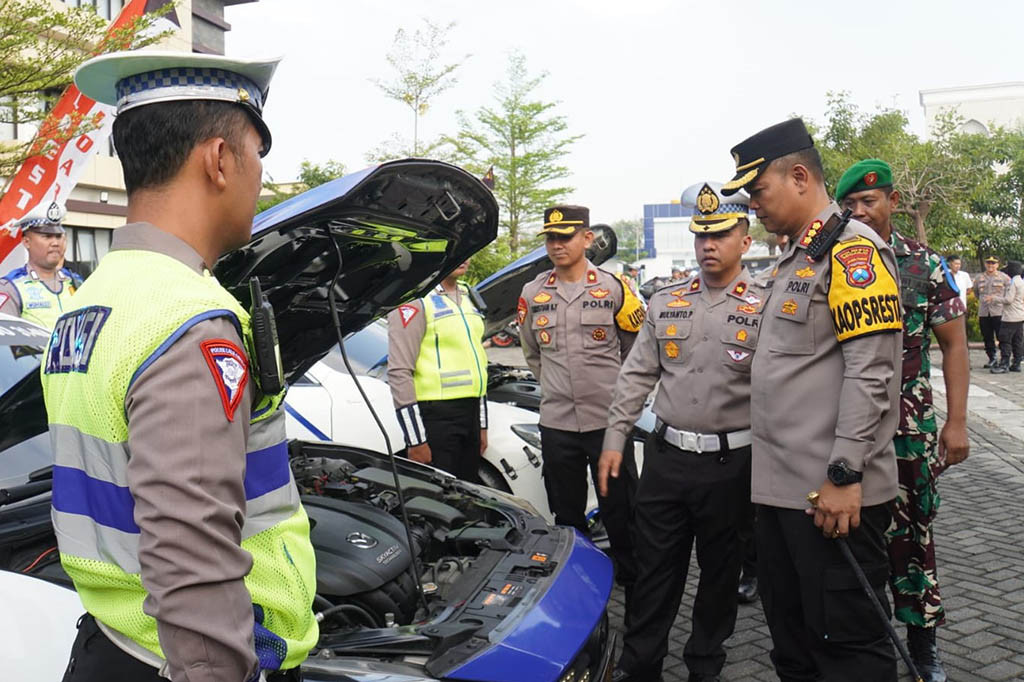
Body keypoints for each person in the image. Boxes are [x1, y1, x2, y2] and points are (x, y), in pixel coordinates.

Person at [41, 52, 316, 682]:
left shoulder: (92, 302)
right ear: (219, 159)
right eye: (257, 157)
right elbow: (192, 560)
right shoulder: (189, 321)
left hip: (116, 639)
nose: (261, 182)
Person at [722, 118, 902, 681]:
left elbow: (872, 372)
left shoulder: (852, 252)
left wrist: (846, 475)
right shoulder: (797, 257)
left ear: (799, 176)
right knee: (794, 648)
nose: (753, 205)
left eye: (758, 190)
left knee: (848, 653)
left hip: (832, 498)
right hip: (783, 497)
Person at [599, 181, 763, 682]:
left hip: (732, 465)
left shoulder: (767, 304)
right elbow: (636, 375)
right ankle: (640, 662)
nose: (708, 246)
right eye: (700, 237)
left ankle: (705, 663)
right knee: (653, 572)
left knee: (719, 575)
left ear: (745, 240)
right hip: (666, 460)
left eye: (720, 235)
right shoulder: (666, 302)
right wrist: (614, 438)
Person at [837, 159, 971, 681]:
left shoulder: (924, 264)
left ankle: (923, 645)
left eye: (869, 202)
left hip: (910, 432)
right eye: (849, 205)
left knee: (913, 539)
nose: (859, 213)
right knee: (851, 536)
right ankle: (864, 640)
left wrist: (956, 423)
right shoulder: (836, 260)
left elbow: (955, 345)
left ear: (893, 202)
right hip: (849, 429)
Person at [518, 205, 644, 592]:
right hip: (557, 423)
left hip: (608, 424)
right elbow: (531, 353)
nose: (556, 245)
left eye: (565, 237)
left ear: (587, 239)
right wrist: (558, 386)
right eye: (550, 238)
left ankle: (633, 578)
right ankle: (580, 580)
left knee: (621, 508)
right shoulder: (533, 293)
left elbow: (636, 351)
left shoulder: (613, 288)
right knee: (566, 512)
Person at [387, 260, 488, 481]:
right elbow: (399, 371)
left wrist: (481, 425)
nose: (465, 257)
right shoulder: (415, 300)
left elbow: (477, 363)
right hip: (436, 419)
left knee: (469, 493)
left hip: (470, 414)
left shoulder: (469, 295)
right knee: (441, 500)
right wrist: (416, 441)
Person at [0, 203, 83, 328]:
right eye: (47, 236)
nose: (55, 243)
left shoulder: (74, 281)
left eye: (59, 236)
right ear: (26, 242)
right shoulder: (11, 287)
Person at [974, 257, 1011, 368]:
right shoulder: (979, 278)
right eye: (988, 263)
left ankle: (1004, 359)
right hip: (984, 312)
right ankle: (992, 358)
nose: (991, 265)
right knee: (987, 336)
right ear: (985, 264)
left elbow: (1009, 294)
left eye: (993, 263)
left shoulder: (1004, 278)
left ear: (997, 265)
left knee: (1002, 336)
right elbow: (976, 293)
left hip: (998, 311)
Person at [991, 260, 1024, 373]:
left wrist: (994, 298)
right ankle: (1016, 363)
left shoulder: (1013, 282)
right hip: (1019, 315)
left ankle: (1004, 364)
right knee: (1017, 341)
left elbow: (1008, 300)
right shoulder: (1021, 281)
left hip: (1010, 316)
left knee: (1005, 339)